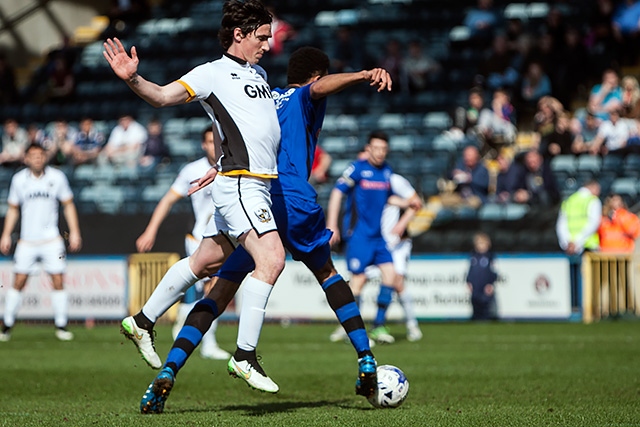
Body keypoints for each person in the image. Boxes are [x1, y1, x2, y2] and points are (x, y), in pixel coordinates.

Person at [135, 46, 392, 413]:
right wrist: (362, 74)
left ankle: (167, 373)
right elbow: (317, 91)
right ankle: (365, 357)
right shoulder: (304, 94)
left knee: (219, 289)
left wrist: (222, 166)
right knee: (327, 273)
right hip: (292, 199)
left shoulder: (262, 96)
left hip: (256, 197)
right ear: (316, 75)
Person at [103, 0, 286, 413]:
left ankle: (142, 321)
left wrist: (219, 161)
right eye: (261, 37)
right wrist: (134, 80)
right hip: (243, 185)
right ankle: (244, 355)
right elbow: (163, 96)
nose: (267, 44)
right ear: (239, 35)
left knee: (204, 262)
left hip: (246, 182)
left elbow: (242, 128)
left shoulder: (259, 73)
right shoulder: (211, 73)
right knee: (271, 259)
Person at [135, 127, 231, 362]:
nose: (213, 145)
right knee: (213, 287)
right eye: (209, 141)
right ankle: (208, 343)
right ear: (203, 145)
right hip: (198, 237)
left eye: (216, 141)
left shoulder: (231, 165)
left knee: (208, 290)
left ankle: (184, 316)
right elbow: (168, 199)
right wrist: (150, 230)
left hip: (225, 237)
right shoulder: (192, 170)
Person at [326, 131, 405, 344]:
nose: (379, 153)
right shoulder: (357, 169)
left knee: (391, 276)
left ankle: (378, 326)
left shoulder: (387, 171)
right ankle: (354, 330)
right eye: (376, 148)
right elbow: (336, 192)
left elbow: (387, 198)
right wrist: (332, 223)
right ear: (368, 149)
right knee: (358, 282)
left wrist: (407, 203)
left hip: (378, 238)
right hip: (359, 237)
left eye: (383, 149)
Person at [0, 144, 82, 342]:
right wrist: (5, 234)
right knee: (19, 281)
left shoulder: (57, 177)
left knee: (58, 280)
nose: (37, 159)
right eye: (33, 156)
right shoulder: (19, 180)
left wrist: (75, 232)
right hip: (27, 240)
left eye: (40, 155)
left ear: (45, 157)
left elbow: (68, 205)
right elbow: (13, 209)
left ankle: (61, 325)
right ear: (26, 158)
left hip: (52, 239)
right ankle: (7, 325)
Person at [556, 180, 602, 308]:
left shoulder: (569, 200)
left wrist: (567, 243)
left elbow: (561, 224)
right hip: (587, 245)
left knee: (572, 280)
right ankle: (590, 308)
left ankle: (574, 306)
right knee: (591, 281)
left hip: (570, 247)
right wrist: (577, 241)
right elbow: (593, 223)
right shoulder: (593, 200)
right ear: (592, 186)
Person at [466, 232, 498, 321]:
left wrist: (491, 284)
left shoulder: (490, 257)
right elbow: (470, 271)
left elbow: (494, 272)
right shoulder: (473, 257)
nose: (481, 246)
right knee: (476, 304)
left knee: (485, 305)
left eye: (483, 243)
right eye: (479, 243)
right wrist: (468, 281)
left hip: (485, 286)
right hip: (475, 286)